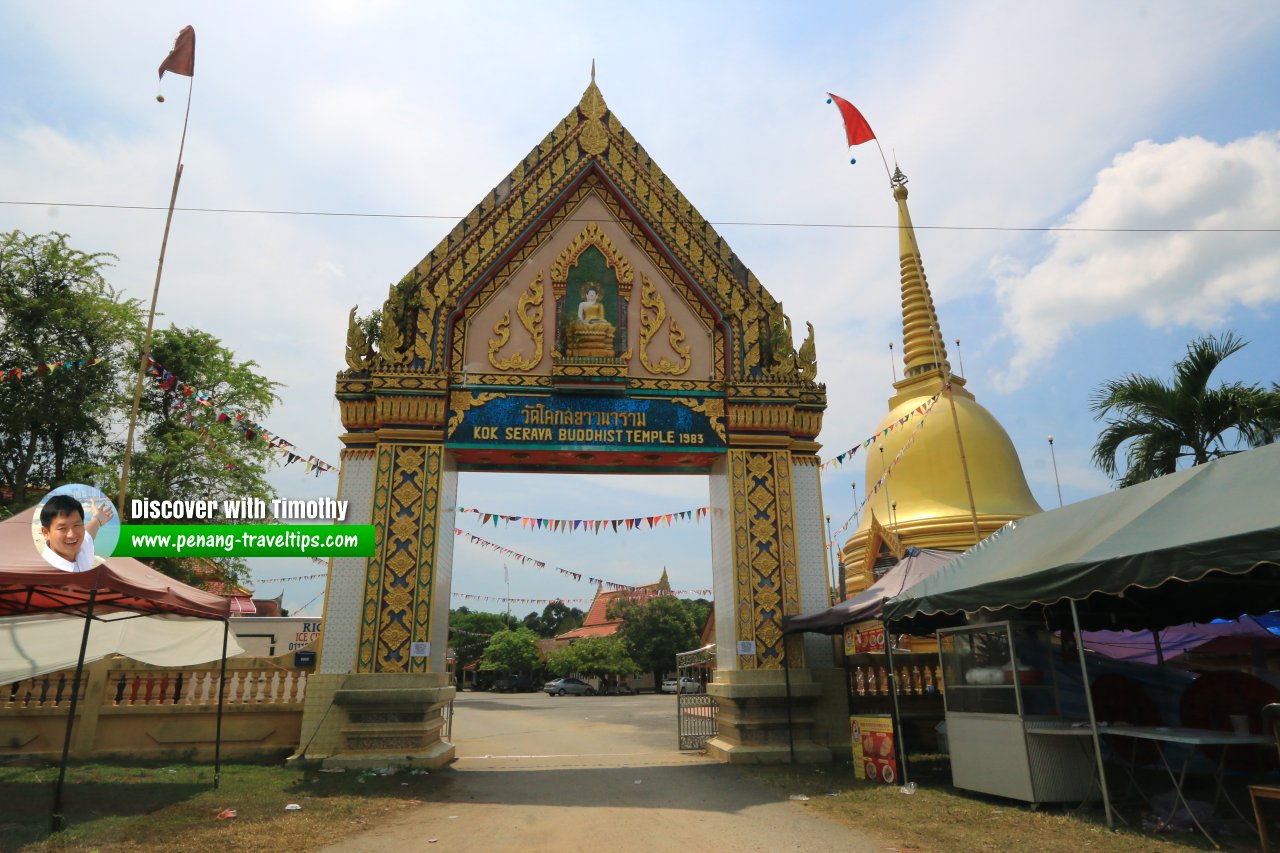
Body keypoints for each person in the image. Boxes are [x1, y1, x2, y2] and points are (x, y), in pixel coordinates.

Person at [39, 494, 113, 572]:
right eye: (62, 528)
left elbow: (89, 532)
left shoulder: (82, 547)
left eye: (76, 525)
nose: (72, 535)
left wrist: (97, 519)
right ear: (46, 533)